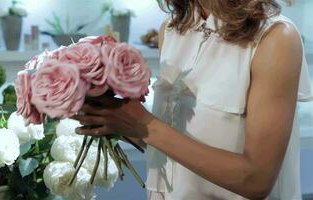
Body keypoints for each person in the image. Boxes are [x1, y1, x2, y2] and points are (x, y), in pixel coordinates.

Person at [73, 0, 313, 199]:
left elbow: (256, 179)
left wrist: (146, 127)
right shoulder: (171, 29)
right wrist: (112, 118)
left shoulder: (276, 37)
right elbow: (177, 146)